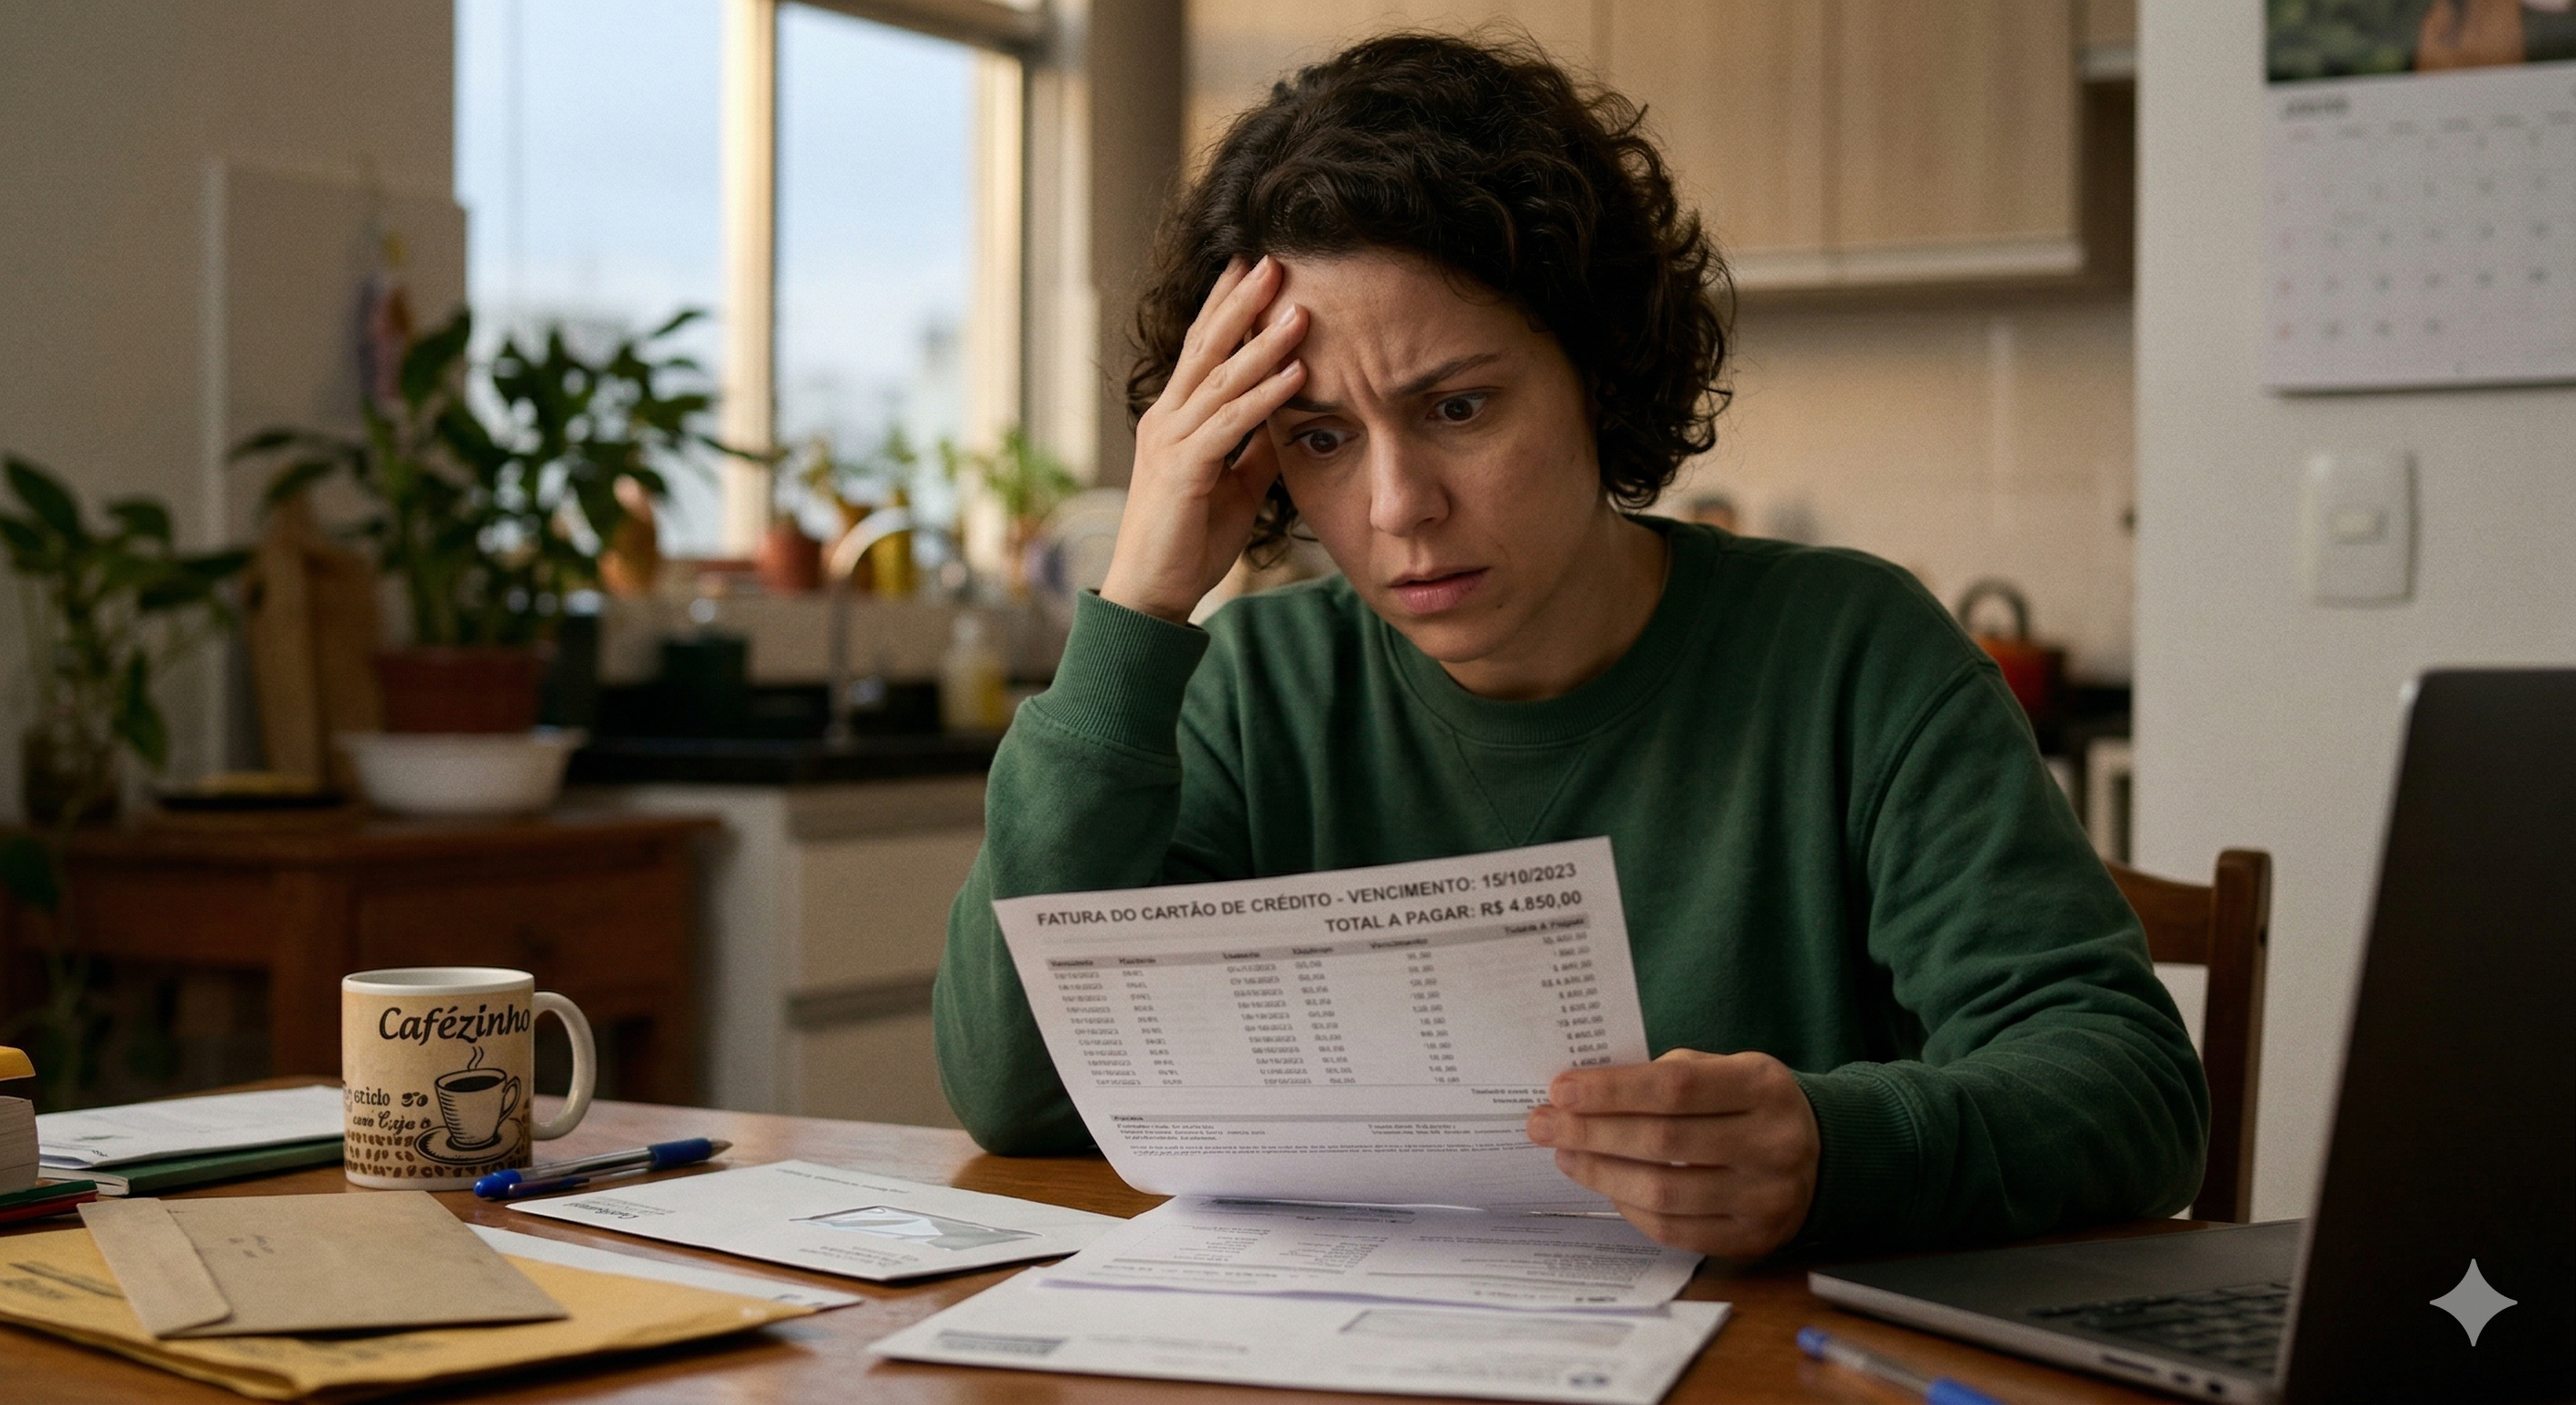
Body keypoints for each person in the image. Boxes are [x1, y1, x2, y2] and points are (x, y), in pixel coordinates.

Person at [933, 32, 2206, 1259]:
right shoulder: (1257, 687)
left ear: (1597, 374)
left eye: (1459, 406)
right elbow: (1018, 1092)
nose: (1396, 508)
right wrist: (1140, 606)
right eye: (1320, 436)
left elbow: (2136, 1093)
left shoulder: (1852, 655)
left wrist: (1833, 1146)